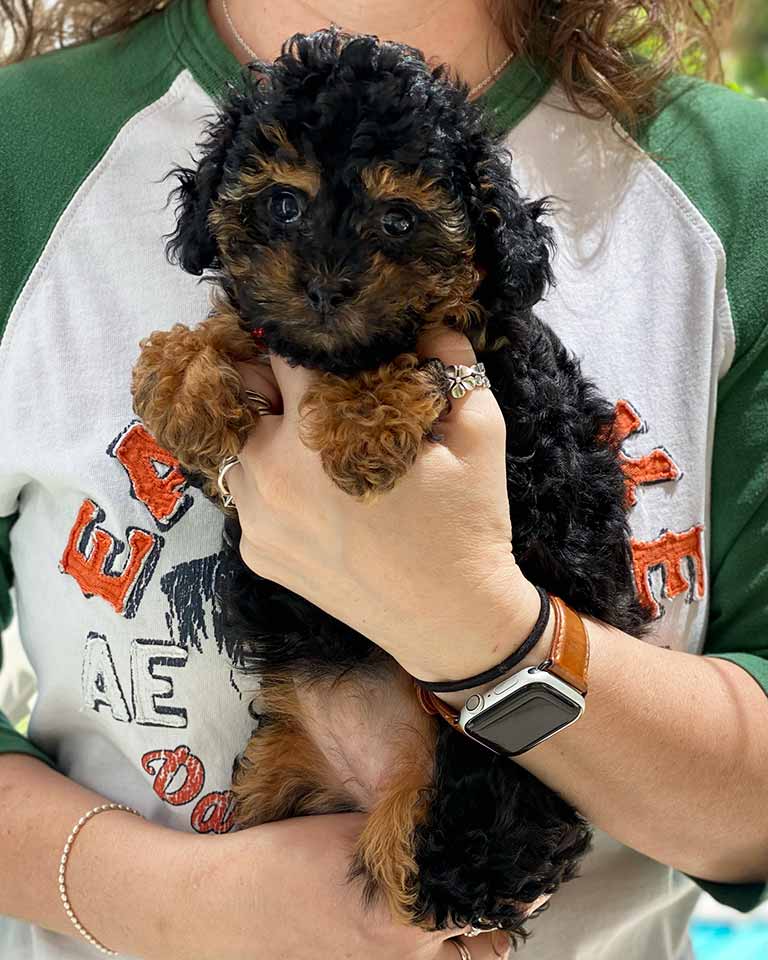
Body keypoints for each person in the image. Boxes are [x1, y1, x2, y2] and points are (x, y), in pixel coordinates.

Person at [0, 0, 766, 957]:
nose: (326, 270)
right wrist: (164, 898)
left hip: (472, 819)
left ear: (484, 241)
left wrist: (478, 620)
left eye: (399, 219)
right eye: (279, 207)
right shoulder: (19, 148)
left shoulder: (737, 184)